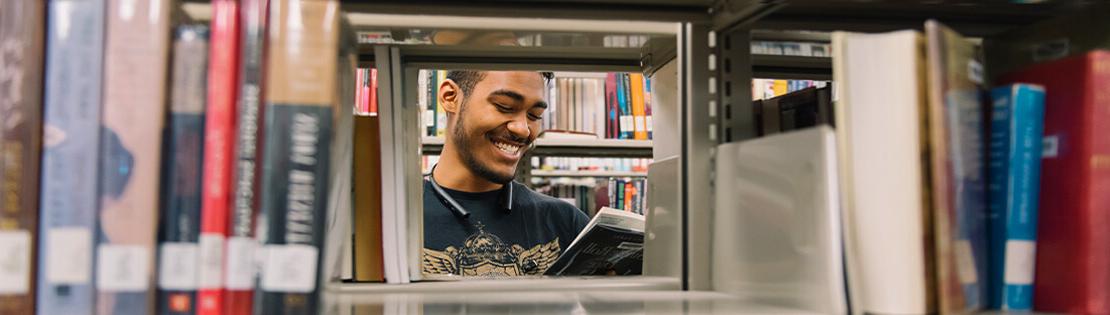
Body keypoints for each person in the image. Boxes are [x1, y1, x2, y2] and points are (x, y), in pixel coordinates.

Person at [421, 70, 590, 277]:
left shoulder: (566, 222)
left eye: (534, 116)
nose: (523, 130)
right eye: (505, 107)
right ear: (450, 97)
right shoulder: (392, 219)